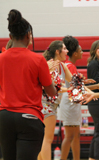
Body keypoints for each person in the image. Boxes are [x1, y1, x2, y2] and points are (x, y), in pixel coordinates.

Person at [0, 9, 56, 160]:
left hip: (4, 117)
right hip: (29, 117)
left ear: (10, 36)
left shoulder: (1, 58)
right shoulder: (38, 60)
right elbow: (52, 93)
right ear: (28, 36)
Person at [60, 36, 99, 160]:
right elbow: (76, 88)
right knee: (70, 136)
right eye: (81, 50)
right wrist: (96, 86)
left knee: (75, 135)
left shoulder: (71, 65)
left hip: (74, 100)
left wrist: (86, 83)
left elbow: (77, 84)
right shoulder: (70, 65)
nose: (83, 52)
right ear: (75, 53)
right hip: (71, 100)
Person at [38, 40, 73, 160]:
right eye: (64, 48)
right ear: (57, 52)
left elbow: (74, 82)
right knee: (47, 139)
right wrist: (69, 90)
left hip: (50, 106)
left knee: (43, 140)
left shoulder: (62, 66)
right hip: (44, 105)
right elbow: (56, 88)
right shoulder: (50, 65)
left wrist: (92, 87)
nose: (67, 51)